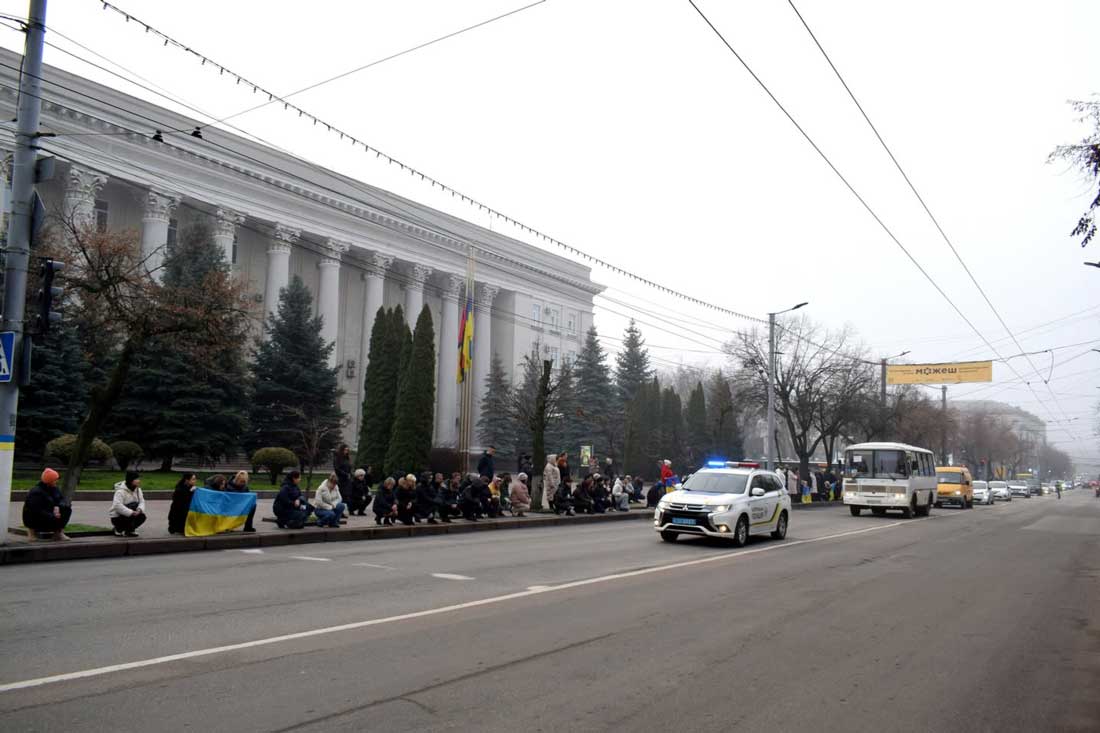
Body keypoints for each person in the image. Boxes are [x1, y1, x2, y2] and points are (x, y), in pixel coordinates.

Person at [22, 468, 71, 542]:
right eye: (55, 479)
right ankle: (31, 534)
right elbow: (36, 509)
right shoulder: (36, 492)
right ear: (49, 480)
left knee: (66, 509)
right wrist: (52, 515)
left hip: (50, 513)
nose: (57, 481)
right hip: (38, 518)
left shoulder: (55, 489)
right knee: (31, 512)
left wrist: (58, 507)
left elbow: (61, 500)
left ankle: (58, 533)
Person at [109, 470, 147, 538]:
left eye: (138, 479)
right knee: (131, 513)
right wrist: (131, 512)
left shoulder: (138, 490)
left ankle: (130, 530)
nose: (139, 481)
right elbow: (117, 506)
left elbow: (142, 501)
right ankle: (118, 529)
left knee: (142, 517)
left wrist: (139, 509)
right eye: (136, 479)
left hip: (131, 514)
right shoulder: (120, 491)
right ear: (130, 480)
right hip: (118, 517)